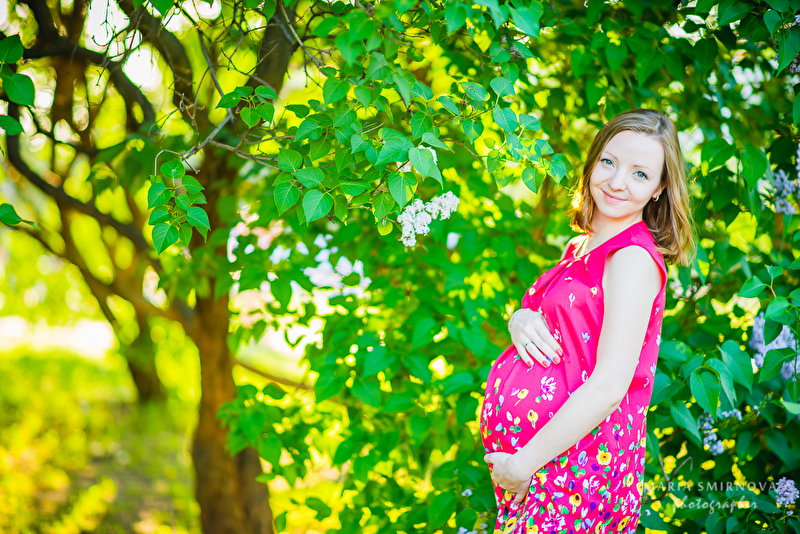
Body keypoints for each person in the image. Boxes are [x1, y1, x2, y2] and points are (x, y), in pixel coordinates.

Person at [480, 109, 695, 534]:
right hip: (544, 467)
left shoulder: (631, 258)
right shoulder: (582, 246)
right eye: (609, 162)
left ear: (659, 188)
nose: (616, 182)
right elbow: (561, 326)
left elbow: (610, 385)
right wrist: (520, 319)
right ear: (593, 161)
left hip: (578, 472)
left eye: (639, 174)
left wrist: (521, 464)